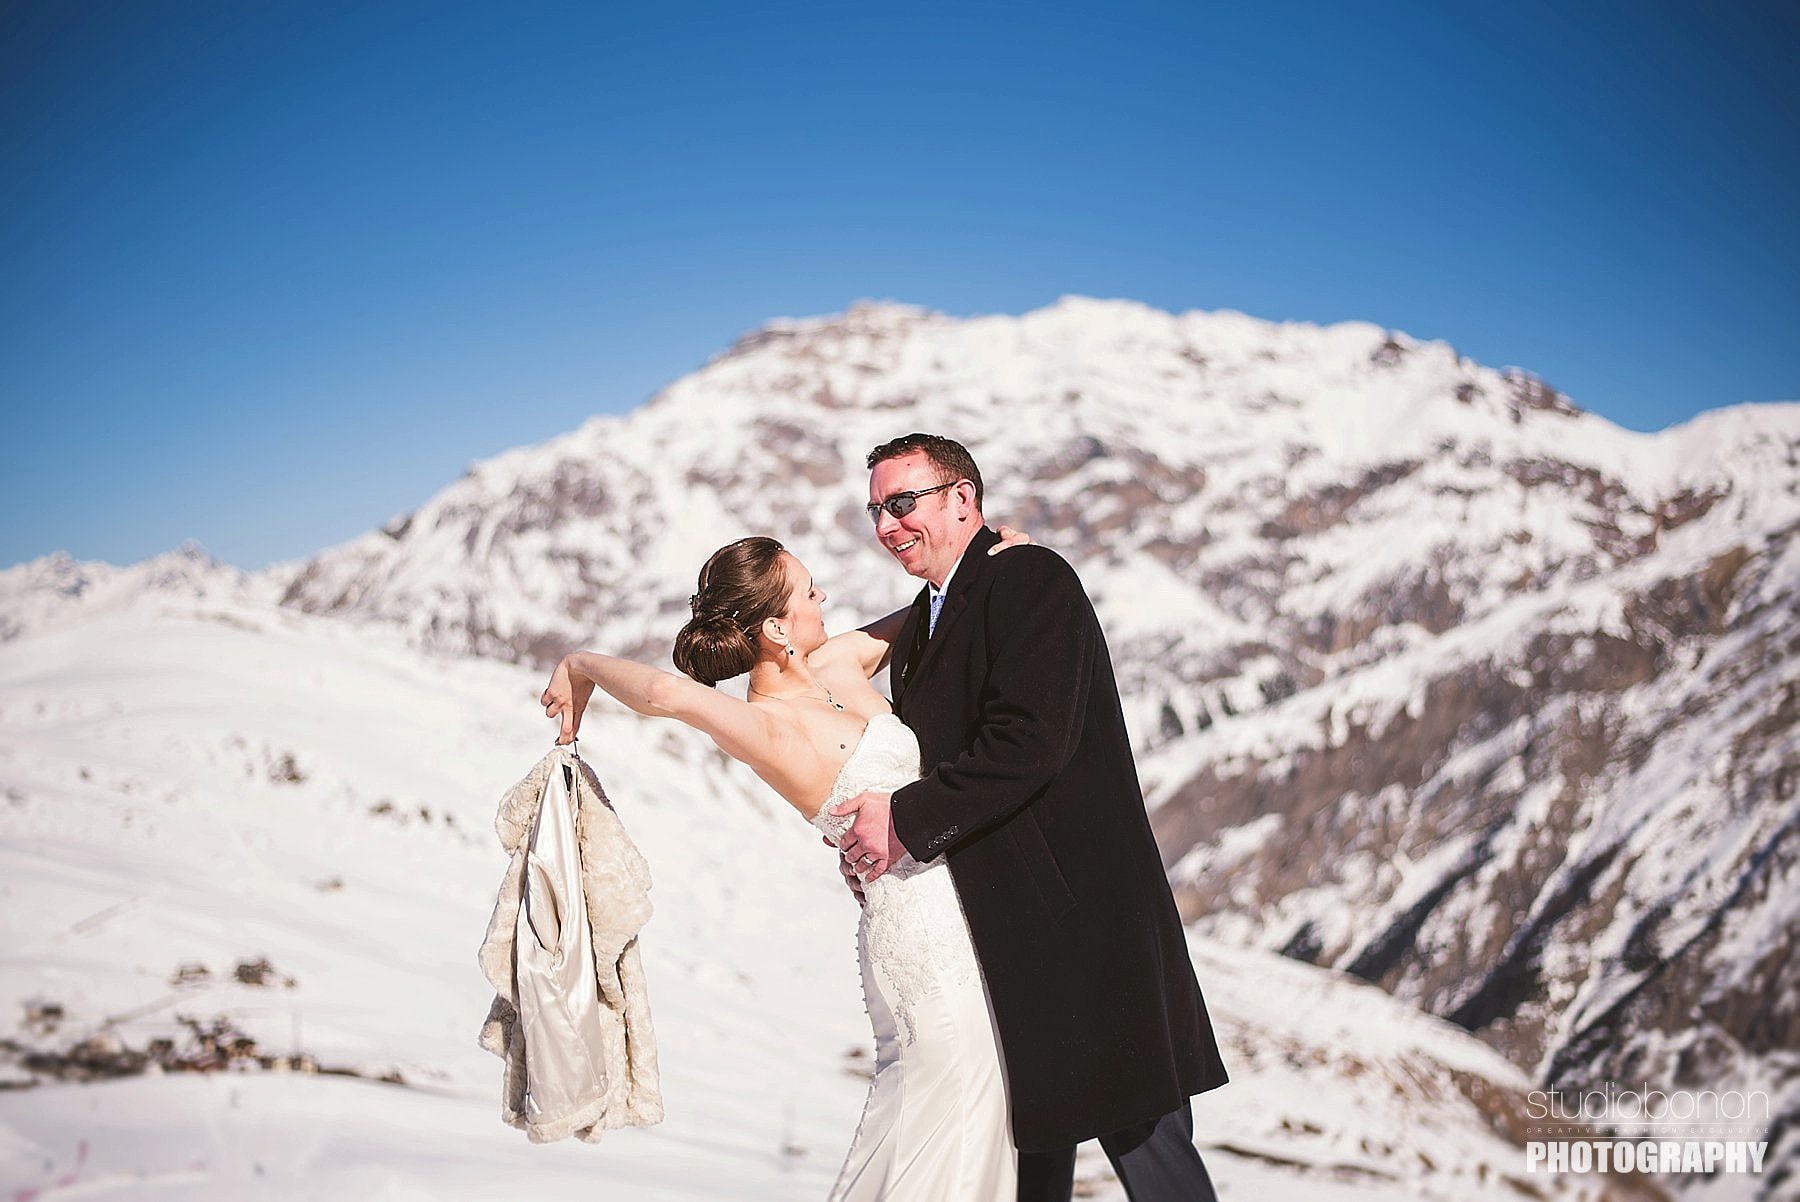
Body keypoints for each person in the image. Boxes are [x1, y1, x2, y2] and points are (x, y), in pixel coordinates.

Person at [540, 530, 1031, 1201]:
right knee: (950, 1121)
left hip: (962, 920)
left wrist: (995, 555)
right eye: (807, 590)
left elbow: (936, 612)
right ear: (776, 627)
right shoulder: (769, 725)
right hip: (919, 942)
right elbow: (663, 693)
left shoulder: (836, 665)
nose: (822, 595)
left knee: (965, 1118)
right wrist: (579, 664)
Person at [831, 433, 1230, 1202]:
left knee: (1149, 1152)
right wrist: (884, 847)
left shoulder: (1031, 578)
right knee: (1032, 1160)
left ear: (962, 499)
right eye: (875, 509)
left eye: (903, 502)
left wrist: (903, 822)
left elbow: (1031, 741)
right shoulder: (928, 621)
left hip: (1085, 930)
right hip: (1002, 937)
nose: (887, 524)